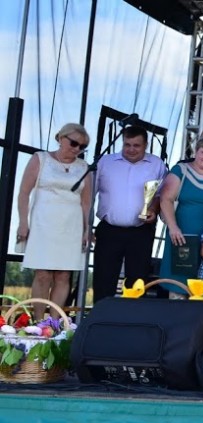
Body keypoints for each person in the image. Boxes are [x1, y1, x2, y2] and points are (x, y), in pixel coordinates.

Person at [16, 123, 92, 318]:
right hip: (43, 222)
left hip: (71, 225)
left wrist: (87, 230)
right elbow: (24, 193)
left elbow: (86, 203)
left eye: (82, 146)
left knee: (63, 275)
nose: (77, 149)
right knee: (42, 274)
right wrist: (23, 222)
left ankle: (54, 323)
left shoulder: (84, 167)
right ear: (60, 138)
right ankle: (38, 322)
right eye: (73, 143)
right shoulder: (40, 159)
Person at [92, 125, 167, 302]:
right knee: (103, 279)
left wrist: (153, 209)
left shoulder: (157, 164)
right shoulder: (105, 162)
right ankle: (102, 317)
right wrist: (86, 227)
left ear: (146, 145)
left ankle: (133, 317)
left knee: (138, 281)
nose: (131, 149)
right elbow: (89, 194)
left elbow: (160, 195)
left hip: (141, 231)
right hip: (109, 230)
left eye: (136, 145)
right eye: (127, 144)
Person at [158, 135, 203, 296]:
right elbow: (165, 199)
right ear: (196, 151)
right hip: (181, 236)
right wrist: (173, 227)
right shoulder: (180, 170)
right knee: (178, 287)